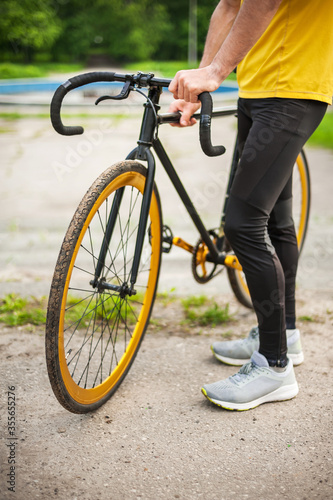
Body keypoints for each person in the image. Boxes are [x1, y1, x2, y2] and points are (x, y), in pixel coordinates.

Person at [169, 0, 333, 410]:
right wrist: (199, 84)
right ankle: (284, 337)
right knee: (276, 219)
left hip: (293, 89)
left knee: (243, 224)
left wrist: (214, 71)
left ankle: (275, 368)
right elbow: (229, 5)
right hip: (258, 88)